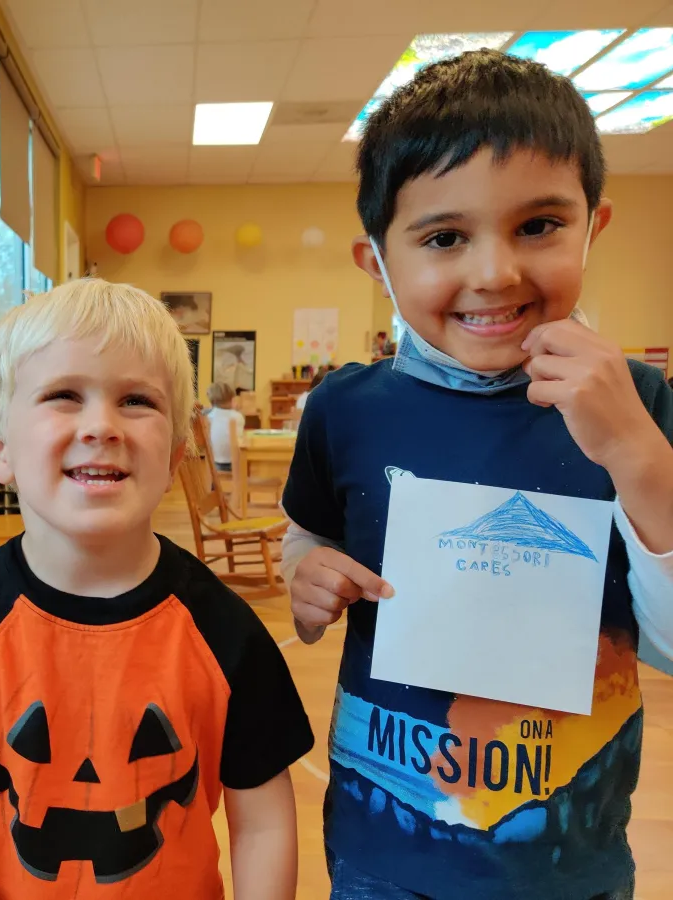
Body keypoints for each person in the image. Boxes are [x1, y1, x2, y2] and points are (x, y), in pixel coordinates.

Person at [281, 50, 673, 900]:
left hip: (569, 861)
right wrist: (303, 574)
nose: (494, 271)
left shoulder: (637, 404)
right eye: (444, 237)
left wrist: (638, 455)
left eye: (539, 225)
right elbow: (310, 535)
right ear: (377, 261)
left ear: (592, 227)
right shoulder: (345, 409)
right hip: (385, 848)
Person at [0, 278, 314, 899]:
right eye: (63, 395)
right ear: (0, 449)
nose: (101, 425)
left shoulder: (225, 633)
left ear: (174, 454)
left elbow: (264, 826)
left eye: (137, 401)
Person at [205, 380, 245, 471]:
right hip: (235, 463)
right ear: (232, 398)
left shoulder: (209, 416)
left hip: (214, 463)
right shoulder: (238, 417)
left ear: (211, 400)